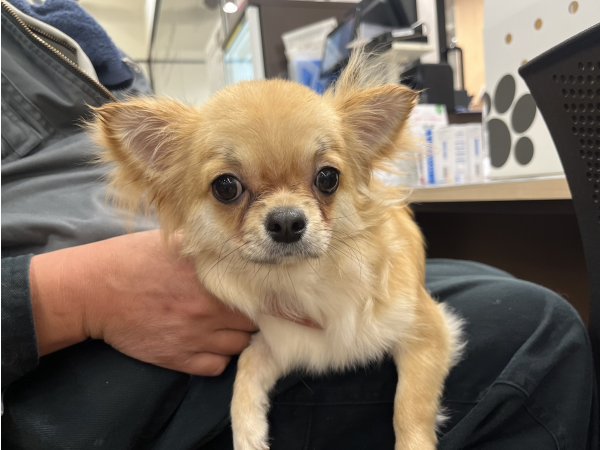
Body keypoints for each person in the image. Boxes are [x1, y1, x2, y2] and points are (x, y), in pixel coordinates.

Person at [2, 1, 598, 449]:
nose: (287, 215)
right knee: (538, 329)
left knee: (485, 284)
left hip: (231, 290)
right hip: (74, 366)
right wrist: (73, 297)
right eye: (230, 188)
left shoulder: (52, 21)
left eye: (325, 180)